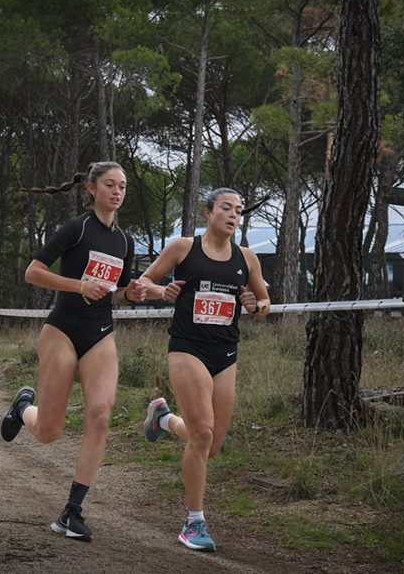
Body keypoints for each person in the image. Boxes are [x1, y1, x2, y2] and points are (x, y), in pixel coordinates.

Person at [0, 162, 147, 542]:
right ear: (92, 189)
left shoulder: (125, 241)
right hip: (62, 331)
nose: (117, 192)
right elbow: (33, 272)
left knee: (100, 415)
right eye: (110, 185)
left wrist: (130, 294)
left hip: (100, 333)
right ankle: (23, 409)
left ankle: (72, 511)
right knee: (48, 432)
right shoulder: (76, 229)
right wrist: (78, 285)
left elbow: (117, 292)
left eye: (122, 186)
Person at [137, 188, 271, 553]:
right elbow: (144, 281)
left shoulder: (247, 257)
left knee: (210, 443)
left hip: (225, 353)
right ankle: (194, 522)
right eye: (226, 208)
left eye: (239, 210)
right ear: (208, 212)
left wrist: (254, 306)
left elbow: (264, 302)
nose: (233, 215)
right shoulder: (183, 248)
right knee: (204, 433)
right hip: (188, 349)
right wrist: (161, 292)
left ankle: (163, 419)